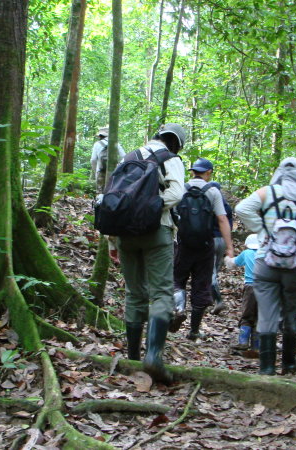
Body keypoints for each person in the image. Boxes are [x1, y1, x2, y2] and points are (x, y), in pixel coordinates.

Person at [110, 123, 187, 384]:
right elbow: (177, 193)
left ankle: (133, 357)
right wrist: (152, 208)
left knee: (134, 293)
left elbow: (114, 197)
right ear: (176, 143)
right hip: (158, 231)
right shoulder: (171, 159)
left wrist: (112, 242)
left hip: (124, 234)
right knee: (162, 292)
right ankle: (153, 355)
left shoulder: (128, 157)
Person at [234, 157, 296, 375]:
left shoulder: (268, 192)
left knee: (266, 314)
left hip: (266, 261)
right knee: (292, 315)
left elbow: (241, 208)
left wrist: (264, 231)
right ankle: (289, 364)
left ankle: (266, 367)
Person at [172, 158, 234, 341]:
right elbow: (222, 219)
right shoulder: (213, 191)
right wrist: (229, 247)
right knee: (201, 286)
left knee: (177, 280)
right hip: (206, 246)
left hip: (183, 244)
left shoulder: (181, 189)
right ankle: (194, 330)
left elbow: (171, 213)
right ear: (209, 173)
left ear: (193, 172)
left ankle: (179, 308)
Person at [225, 234, 259, 350]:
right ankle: (256, 346)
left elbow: (232, 264)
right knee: (259, 317)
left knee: (247, 314)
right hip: (265, 288)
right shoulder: (265, 254)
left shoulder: (247, 253)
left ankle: (243, 342)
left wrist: (227, 258)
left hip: (250, 288)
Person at [209, 181, 234, 315]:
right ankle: (211, 299)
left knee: (210, 272)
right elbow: (228, 225)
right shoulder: (227, 207)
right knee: (215, 271)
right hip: (222, 240)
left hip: (211, 239)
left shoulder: (209, 203)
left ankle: (218, 300)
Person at [90, 126, 125, 193]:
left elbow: (93, 160)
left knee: (100, 192)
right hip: (114, 172)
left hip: (100, 171)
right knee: (112, 191)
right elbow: (123, 156)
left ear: (100, 136)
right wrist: (119, 166)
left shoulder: (97, 144)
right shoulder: (116, 144)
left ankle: (99, 202)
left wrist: (96, 171)